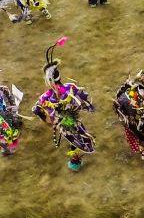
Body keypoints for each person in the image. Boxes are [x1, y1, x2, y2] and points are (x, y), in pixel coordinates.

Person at [33, 39, 98, 171]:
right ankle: (75, 159)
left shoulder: (64, 91)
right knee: (74, 138)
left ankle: (75, 160)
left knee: (76, 138)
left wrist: (45, 117)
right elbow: (39, 107)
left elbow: (81, 96)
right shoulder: (64, 89)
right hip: (64, 122)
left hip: (70, 121)